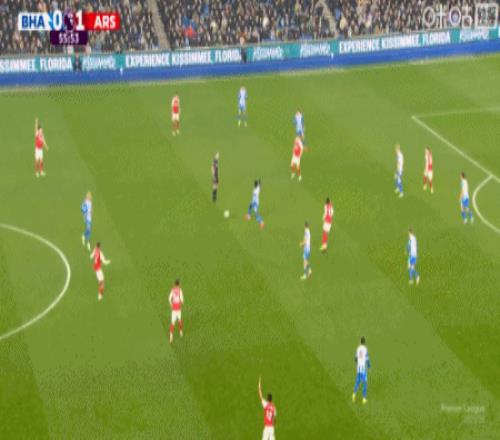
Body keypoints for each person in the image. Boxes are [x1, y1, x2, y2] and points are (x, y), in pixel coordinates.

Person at [352, 336, 371, 404]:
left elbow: (355, 359)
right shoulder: (365, 349)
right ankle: (364, 399)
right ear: (365, 342)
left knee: (357, 381)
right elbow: (367, 359)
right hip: (363, 368)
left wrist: (358, 363)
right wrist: (369, 366)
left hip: (358, 367)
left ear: (360, 341)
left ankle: (354, 394)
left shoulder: (358, 348)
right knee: (365, 383)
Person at [168, 279, 184, 344]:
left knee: (172, 323)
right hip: (178, 309)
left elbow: (169, 298)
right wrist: (180, 304)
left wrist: (171, 304)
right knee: (180, 321)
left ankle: (171, 336)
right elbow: (182, 300)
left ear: (174, 284)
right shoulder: (180, 290)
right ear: (179, 284)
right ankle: (180, 331)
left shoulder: (172, 290)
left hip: (174, 310)